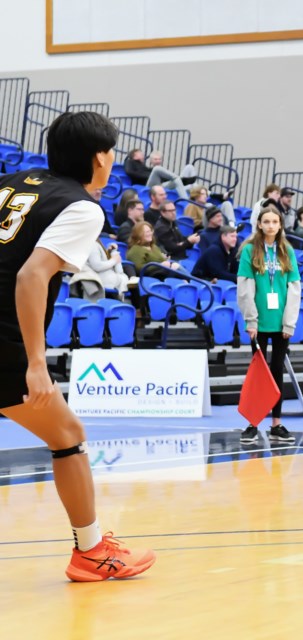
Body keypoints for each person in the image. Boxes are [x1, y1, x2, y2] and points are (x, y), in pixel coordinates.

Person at [0, 111, 155, 581]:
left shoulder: (11, 180)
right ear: (100, 158)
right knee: (67, 436)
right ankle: (91, 552)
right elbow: (30, 276)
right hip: (5, 337)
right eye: (111, 154)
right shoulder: (82, 207)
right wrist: (35, 364)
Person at [237, 209, 301, 445]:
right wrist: (251, 320)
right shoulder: (249, 251)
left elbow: (294, 288)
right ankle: (253, 424)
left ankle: (276, 424)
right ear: (260, 225)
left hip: (281, 323)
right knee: (258, 376)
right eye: (267, 221)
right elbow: (245, 288)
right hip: (259, 324)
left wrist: (289, 322)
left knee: (276, 372)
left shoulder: (287, 251)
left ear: (281, 225)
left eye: (275, 221)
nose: (271, 225)